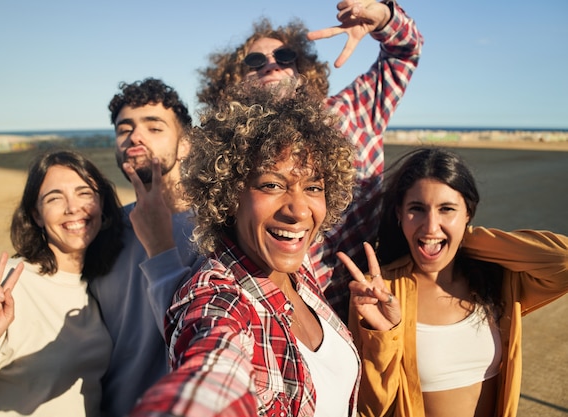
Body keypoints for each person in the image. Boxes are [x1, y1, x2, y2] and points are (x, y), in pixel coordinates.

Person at [130, 88, 361, 416]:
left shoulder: (297, 271)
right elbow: (212, 374)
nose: (298, 209)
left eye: (313, 187)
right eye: (271, 185)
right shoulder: (216, 300)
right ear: (228, 194)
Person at [197, 0, 423, 316]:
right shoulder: (227, 153)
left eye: (284, 57)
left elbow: (404, 54)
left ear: (302, 70)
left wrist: (384, 17)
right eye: (255, 60)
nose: (270, 64)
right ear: (234, 80)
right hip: (276, 317)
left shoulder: (351, 114)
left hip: (368, 305)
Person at [338, 147, 568, 417]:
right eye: (417, 209)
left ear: (468, 212)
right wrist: (384, 338)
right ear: (399, 213)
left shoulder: (496, 279)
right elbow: (371, 408)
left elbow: (561, 260)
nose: (431, 226)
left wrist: (462, 239)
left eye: (447, 209)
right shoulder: (379, 292)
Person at [0, 149, 124, 416]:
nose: (73, 207)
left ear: (102, 205)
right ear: (36, 215)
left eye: (84, 193)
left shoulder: (100, 284)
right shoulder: (4, 284)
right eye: (54, 198)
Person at [88, 78, 202, 417]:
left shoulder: (218, 229)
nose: (135, 137)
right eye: (125, 129)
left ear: (185, 145)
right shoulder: (101, 231)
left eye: (154, 128)